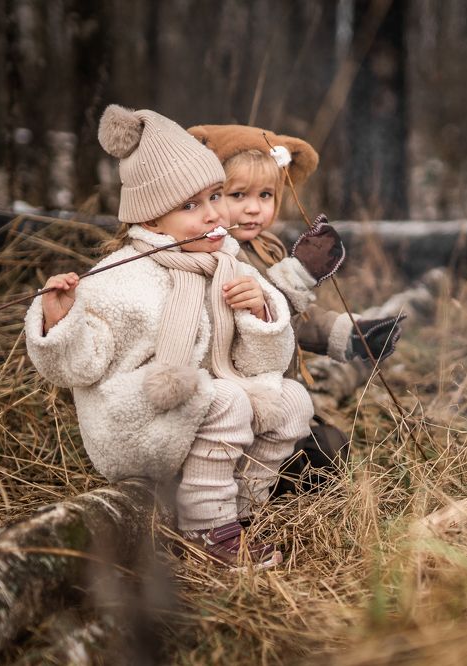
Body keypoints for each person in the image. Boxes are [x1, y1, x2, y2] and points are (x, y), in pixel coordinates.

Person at [24, 105, 343, 568]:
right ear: (152, 221)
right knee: (227, 402)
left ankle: (240, 510)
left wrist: (260, 310)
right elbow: (78, 367)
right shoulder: (121, 278)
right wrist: (59, 321)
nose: (214, 214)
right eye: (191, 206)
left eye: (215, 197)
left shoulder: (227, 265)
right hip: (136, 415)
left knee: (291, 400)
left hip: (198, 406)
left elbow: (259, 365)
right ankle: (207, 532)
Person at [188, 124, 405, 494]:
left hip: (279, 391)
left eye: (267, 195)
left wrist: (349, 333)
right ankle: (239, 496)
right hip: (236, 397)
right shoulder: (212, 254)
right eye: (238, 194)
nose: (254, 208)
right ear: (207, 195)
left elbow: (297, 320)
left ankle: (280, 478)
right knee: (311, 453)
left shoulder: (265, 245)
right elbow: (253, 314)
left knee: (331, 448)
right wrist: (298, 274)